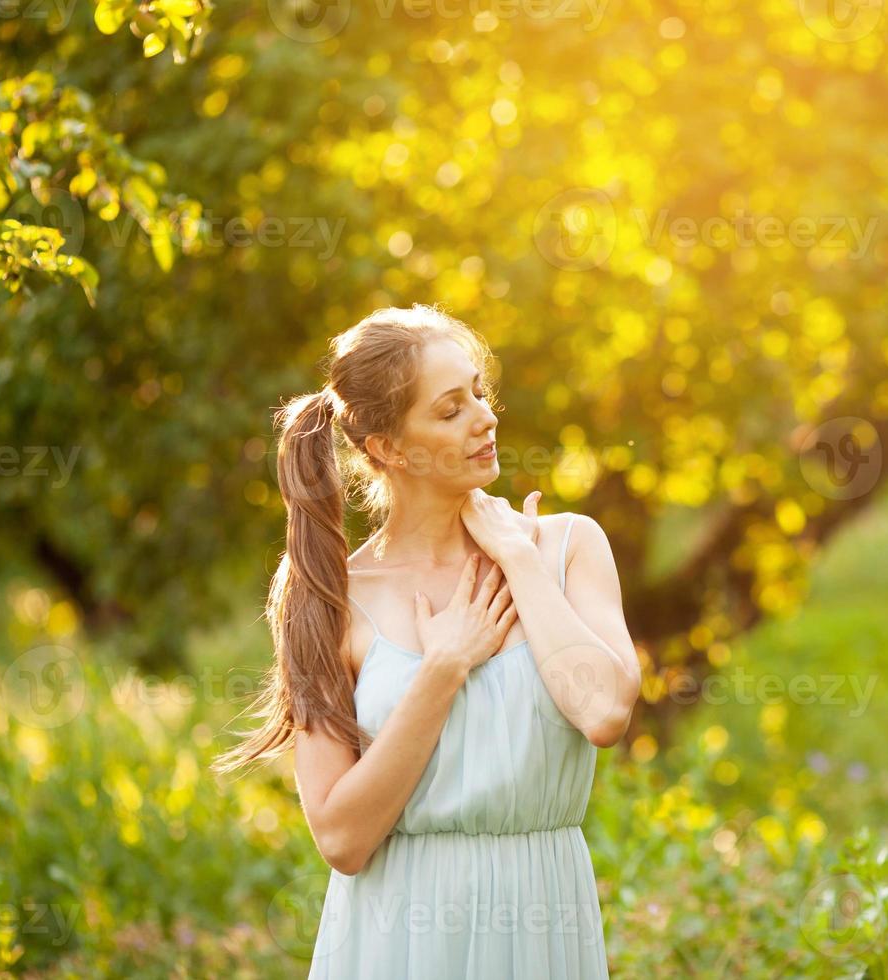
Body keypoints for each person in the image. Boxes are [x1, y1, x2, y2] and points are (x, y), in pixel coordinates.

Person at [212, 304, 641, 977]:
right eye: (449, 410)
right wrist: (441, 669)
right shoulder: (328, 599)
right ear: (386, 448)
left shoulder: (565, 547)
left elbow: (605, 711)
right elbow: (342, 838)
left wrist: (518, 562)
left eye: (478, 392)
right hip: (398, 939)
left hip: (542, 922)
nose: (484, 417)